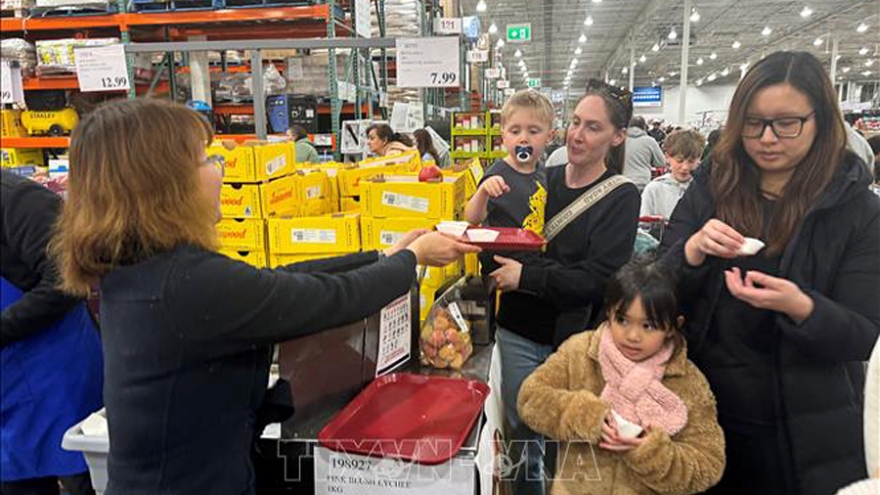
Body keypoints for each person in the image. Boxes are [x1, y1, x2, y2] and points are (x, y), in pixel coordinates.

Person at [49, 98, 480, 495]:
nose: (218, 169)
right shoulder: (184, 285)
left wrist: (384, 255)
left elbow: (273, 280)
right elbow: (326, 299)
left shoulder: (143, 272)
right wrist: (410, 260)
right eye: (205, 160)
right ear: (165, 186)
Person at [659, 51, 880, 495]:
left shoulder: (858, 208)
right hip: (703, 410)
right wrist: (694, 250)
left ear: (820, 120)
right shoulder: (714, 183)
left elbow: (864, 335)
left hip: (806, 426)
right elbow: (656, 285)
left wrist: (801, 307)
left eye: (786, 123)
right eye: (753, 123)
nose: (766, 138)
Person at [487, 79, 641, 495]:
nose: (578, 134)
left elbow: (599, 279)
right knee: (522, 434)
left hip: (577, 340)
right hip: (518, 329)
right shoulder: (540, 179)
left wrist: (529, 275)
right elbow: (499, 242)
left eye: (593, 127)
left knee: (574, 442)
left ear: (617, 136)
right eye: (575, 122)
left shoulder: (621, 196)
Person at [518, 258, 725, 494]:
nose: (632, 336)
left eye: (648, 326)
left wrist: (652, 453)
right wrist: (584, 415)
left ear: (672, 326)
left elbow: (708, 464)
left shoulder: (688, 381)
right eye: (622, 320)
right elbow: (530, 399)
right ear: (609, 313)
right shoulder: (581, 353)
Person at [1, 170, 103, 495]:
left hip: (55, 373)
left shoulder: (17, 200)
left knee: (82, 474)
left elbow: (67, 281)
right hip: (9, 383)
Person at [465, 89, 551, 240]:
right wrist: (483, 192)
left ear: (549, 137)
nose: (523, 138)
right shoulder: (497, 173)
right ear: (503, 136)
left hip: (533, 258)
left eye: (533, 131)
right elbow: (472, 218)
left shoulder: (545, 173)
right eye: (515, 131)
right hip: (501, 258)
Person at [641, 129, 706, 220]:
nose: (685, 167)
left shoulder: (704, 190)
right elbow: (643, 225)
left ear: (699, 159)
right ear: (667, 157)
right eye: (679, 160)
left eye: (691, 161)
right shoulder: (654, 189)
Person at [623, 116, 666, 192]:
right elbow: (661, 162)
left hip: (622, 183)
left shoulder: (620, 140)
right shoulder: (650, 141)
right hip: (642, 183)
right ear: (644, 127)